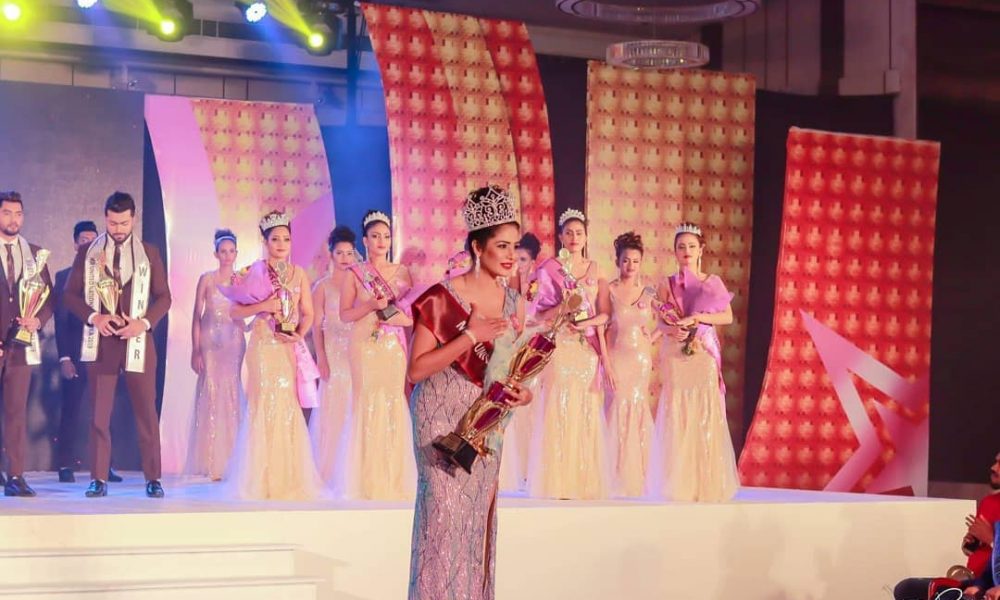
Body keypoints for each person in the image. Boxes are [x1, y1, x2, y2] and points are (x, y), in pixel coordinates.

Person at [407, 185, 531, 600]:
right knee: (441, 520)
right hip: (438, 421)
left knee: (474, 523)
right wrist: (469, 337)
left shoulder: (514, 302)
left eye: (515, 246)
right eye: (502, 245)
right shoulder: (442, 298)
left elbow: (513, 370)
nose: (511, 255)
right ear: (478, 247)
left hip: (484, 426)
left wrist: (523, 394)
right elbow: (417, 369)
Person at [64, 192, 171, 498]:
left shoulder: (149, 253)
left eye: (124, 223)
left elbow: (164, 297)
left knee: (146, 413)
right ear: (105, 218)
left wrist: (144, 323)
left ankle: (153, 478)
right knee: (99, 415)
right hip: (101, 343)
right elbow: (69, 295)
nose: (118, 229)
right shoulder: (89, 253)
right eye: (112, 223)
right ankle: (98, 478)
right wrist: (94, 317)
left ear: (133, 219)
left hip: (137, 341)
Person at [222, 211, 323, 500]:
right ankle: (260, 478)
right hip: (263, 346)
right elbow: (234, 311)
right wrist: (263, 306)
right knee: (264, 401)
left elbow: (309, 313)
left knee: (287, 402)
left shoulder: (299, 273)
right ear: (265, 242)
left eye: (286, 239)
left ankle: (287, 477)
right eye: (275, 239)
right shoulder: (253, 271)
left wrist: (299, 334)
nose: (281, 244)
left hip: (286, 347)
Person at [647, 222, 739, 502]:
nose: (686, 251)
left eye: (691, 246)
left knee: (703, 411)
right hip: (676, 354)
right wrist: (671, 329)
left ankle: (705, 482)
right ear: (674, 252)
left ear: (701, 250)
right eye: (681, 247)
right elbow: (660, 323)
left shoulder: (712, 282)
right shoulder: (666, 284)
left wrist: (699, 318)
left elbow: (727, 316)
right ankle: (679, 483)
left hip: (702, 352)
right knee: (678, 410)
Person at [527, 208, 612, 500]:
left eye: (579, 233)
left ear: (586, 237)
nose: (574, 237)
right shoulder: (549, 268)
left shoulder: (597, 269)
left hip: (586, 349)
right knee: (559, 405)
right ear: (561, 237)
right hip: (560, 345)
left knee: (584, 408)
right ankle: (558, 481)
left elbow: (605, 314)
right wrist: (563, 308)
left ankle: (583, 481)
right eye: (569, 233)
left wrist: (585, 324)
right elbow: (537, 314)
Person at [336, 210, 416, 500]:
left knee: (392, 400)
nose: (382, 241)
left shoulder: (402, 272)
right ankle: (366, 480)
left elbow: (411, 315)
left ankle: (394, 478)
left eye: (386, 236)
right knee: (367, 402)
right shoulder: (354, 273)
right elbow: (345, 314)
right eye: (375, 236)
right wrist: (370, 305)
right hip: (364, 346)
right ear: (365, 241)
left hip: (392, 345)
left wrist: (400, 320)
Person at [54, 220, 124, 484]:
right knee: (71, 409)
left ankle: (106, 466)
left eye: (94, 241)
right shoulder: (64, 277)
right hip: (75, 353)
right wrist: (64, 358)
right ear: (75, 244)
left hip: (102, 354)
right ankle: (65, 464)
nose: (89, 245)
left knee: (104, 412)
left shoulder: (110, 276)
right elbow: (61, 321)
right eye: (84, 240)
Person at [0, 191, 53, 497]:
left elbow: (49, 298)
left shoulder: (34, 255)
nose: (13, 219)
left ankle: (15, 476)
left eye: (18, 214)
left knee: (16, 412)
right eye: (7, 213)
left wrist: (38, 320)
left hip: (20, 346)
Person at [893, 452, 1000, 600]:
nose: (994, 468)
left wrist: (991, 539)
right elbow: (987, 568)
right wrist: (978, 585)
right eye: (996, 462)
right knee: (906, 588)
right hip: (979, 582)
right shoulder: (989, 502)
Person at [186, 229, 246, 481]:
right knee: (210, 391)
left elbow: (245, 310)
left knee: (231, 391)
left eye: (231, 251)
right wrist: (195, 349)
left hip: (233, 340)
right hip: (210, 340)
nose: (227, 255)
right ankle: (210, 459)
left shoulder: (241, 280)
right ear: (216, 253)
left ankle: (232, 458)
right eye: (223, 251)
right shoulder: (207, 279)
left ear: (236, 253)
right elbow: (196, 315)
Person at [605, 231, 659, 497]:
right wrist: (606, 362)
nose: (630, 266)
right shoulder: (609, 290)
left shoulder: (649, 292)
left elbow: (667, 321)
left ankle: (640, 476)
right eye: (626, 260)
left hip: (640, 359)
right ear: (618, 261)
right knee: (616, 407)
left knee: (637, 407)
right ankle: (613, 474)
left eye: (635, 261)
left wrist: (653, 335)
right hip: (618, 356)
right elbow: (605, 330)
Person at [307, 225, 356, 485]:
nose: (345, 258)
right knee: (334, 407)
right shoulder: (322, 287)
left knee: (354, 407)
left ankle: (352, 469)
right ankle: (329, 470)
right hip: (334, 356)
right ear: (331, 254)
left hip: (357, 354)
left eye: (349, 253)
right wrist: (321, 358)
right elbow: (316, 326)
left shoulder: (360, 284)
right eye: (340, 253)